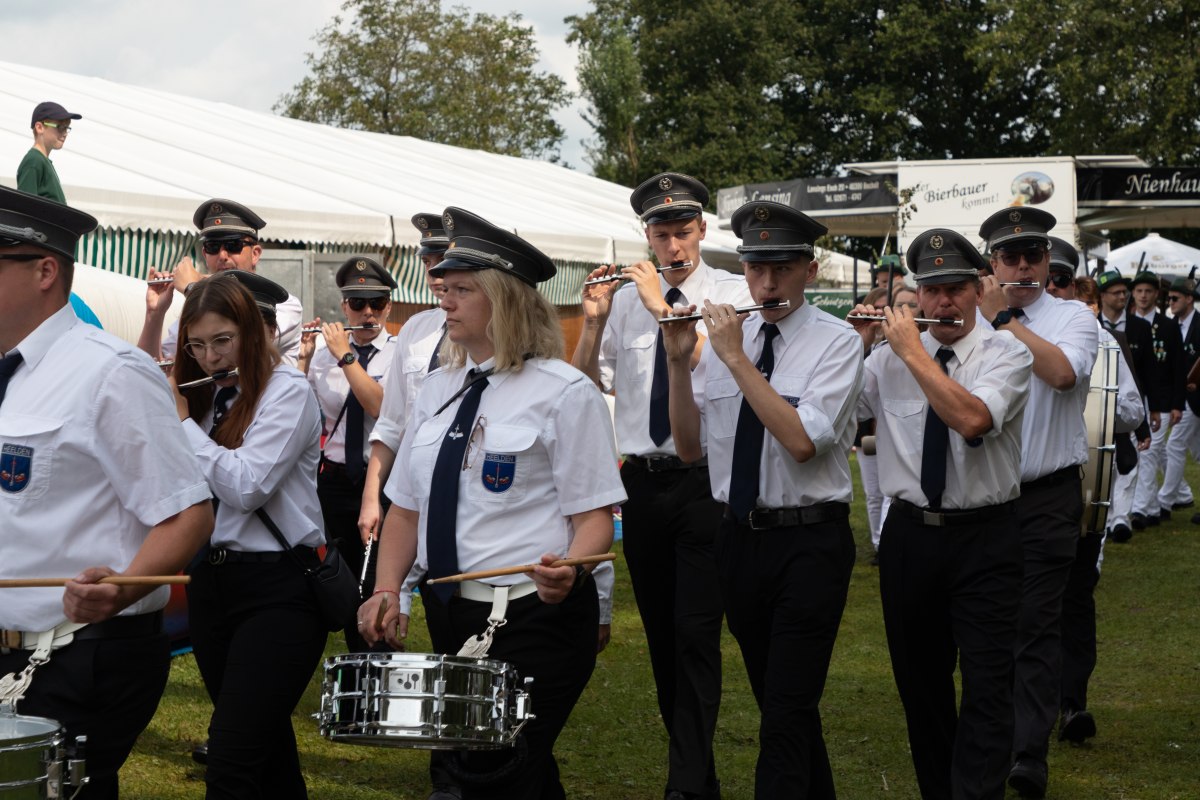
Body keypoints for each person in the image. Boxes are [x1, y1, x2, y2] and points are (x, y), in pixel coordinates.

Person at [360, 207, 626, 800]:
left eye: (461, 290)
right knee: (497, 771)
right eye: (444, 288)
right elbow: (406, 508)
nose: (444, 300)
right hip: (452, 613)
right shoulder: (436, 389)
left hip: (536, 616)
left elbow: (593, 519)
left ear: (504, 300)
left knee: (495, 767)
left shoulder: (565, 392)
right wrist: (387, 589)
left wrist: (572, 569)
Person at [0, 186, 214, 800]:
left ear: (44, 270)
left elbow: (188, 513)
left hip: (76, 655)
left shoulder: (112, 372)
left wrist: (121, 588)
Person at [664, 200, 862, 798]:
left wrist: (733, 357)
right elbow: (690, 448)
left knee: (785, 709)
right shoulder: (733, 338)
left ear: (810, 270)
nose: (768, 284)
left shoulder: (836, 342)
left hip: (809, 541)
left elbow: (801, 442)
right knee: (782, 701)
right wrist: (678, 364)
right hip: (738, 539)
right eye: (756, 268)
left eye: (782, 268)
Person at [570, 171, 749, 800]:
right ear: (646, 235)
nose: (673, 247)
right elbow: (582, 387)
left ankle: (685, 784)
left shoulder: (728, 292)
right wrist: (593, 323)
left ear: (702, 230)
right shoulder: (624, 302)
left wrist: (659, 307)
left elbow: (716, 366)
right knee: (664, 642)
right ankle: (698, 776)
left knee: (696, 634)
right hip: (643, 486)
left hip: (704, 482)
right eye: (661, 234)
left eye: (682, 232)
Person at [850, 228, 1033, 800]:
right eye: (931, 291)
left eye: (955, 289)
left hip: (986, 538)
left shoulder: (1007, 353)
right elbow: (831, 422)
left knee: (988, 684)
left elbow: (973, 418)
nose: (943, 302)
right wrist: (855, 347)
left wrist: (910, 353)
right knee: (920, 687)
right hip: (910, 538)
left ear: (979, 290)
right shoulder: (884, 360)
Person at [170, 271, 327, 799]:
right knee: (266, 753)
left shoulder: (288, 392)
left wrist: (181, 426)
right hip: (213, 584)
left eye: (222, 341)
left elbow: (247, 486)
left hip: (278, 589)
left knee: (231, 759)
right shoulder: (209, 397)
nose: (210, 358)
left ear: (254, 332)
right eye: (196, 346)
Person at [977, 207, 1099, 799]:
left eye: (1033, 256)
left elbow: (1063, 374)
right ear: (992, 263)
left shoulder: (1072, 316)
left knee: (1035, 624)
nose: (1022, 267)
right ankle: (991, 738)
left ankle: (1028, 754)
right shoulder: (970, 318)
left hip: (1047, 495)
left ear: (1048, 261)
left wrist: (1003, 320)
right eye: (1010, 257)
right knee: (987, 626)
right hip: (984, 499)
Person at [1046, 239, 1146, 746]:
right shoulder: (998, 333)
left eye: (1061, 281)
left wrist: (1092, 405)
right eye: (1044, 280)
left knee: (1075, 600)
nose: (1052, 288)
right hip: (1015, 496)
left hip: (1081, 495)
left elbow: (1131, 411)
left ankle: (1071, 703)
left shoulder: (1102, 342)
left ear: (1074, 285)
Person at [299, 256, 397, 651]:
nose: (367, 313)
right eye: (358, 303)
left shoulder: (399, 354)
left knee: (374, 579)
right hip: (334, 481)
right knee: (335, 576)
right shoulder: (325, 355)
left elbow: (380, 407)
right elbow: (304, 414)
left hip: (381, 481)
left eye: (377, 303)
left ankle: (374, 658)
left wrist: (346, 357)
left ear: (388, 306)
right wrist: (304, 358)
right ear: (344, 307)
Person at [138, 199, 304, 366]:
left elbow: (245, 342)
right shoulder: (196, 307)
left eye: (233, 245)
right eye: (213, 246)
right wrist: (155, 314)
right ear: (205, 254)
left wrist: (192, 289)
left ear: (255, 254)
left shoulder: (284, 305)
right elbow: (149, 369)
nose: (222, 256)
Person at [1096, 270, 1155, 541]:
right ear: (1103, 296)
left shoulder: (1140, 328)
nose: (1123, 296)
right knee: (1103, 464)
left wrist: (1147, 415)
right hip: (1097, 409)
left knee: (1129, 461)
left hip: (1130, 405)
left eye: (1124, 292)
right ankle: (1107, 516)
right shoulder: (1089, 326)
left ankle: (1121, 517)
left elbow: (1147, 372)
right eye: (1116, 292)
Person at [1127, 270, 1185, 526]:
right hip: (1132, 397)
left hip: (1160, 399)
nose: (1143, 296)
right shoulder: (1126, 324)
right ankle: (1150, 507)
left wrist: (1177, 404)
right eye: (1139, 291)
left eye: (1148, 291)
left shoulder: (1169, 327)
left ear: (1156, 294)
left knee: (1150, 452)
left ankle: (1140, 509)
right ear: (1133, 293)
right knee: (1134, 452)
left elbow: (1178, 367)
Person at [1158, 276, 1200, 519]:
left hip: (1194, 398)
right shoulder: (1170, 326)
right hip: (1178, 397)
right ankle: (1182, 496)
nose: (1170, 302)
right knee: (1197, 451)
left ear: (1189, 299)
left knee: (1173, 445)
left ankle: (1164, 502)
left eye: (1175, 298)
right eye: (1169, 299)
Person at [16, 101, 81, 205]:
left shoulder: (43, 161)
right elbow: (25, 208)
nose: (65, 133)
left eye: (67, 128)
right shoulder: (34, 161)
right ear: (39, 127)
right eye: (60, 127)